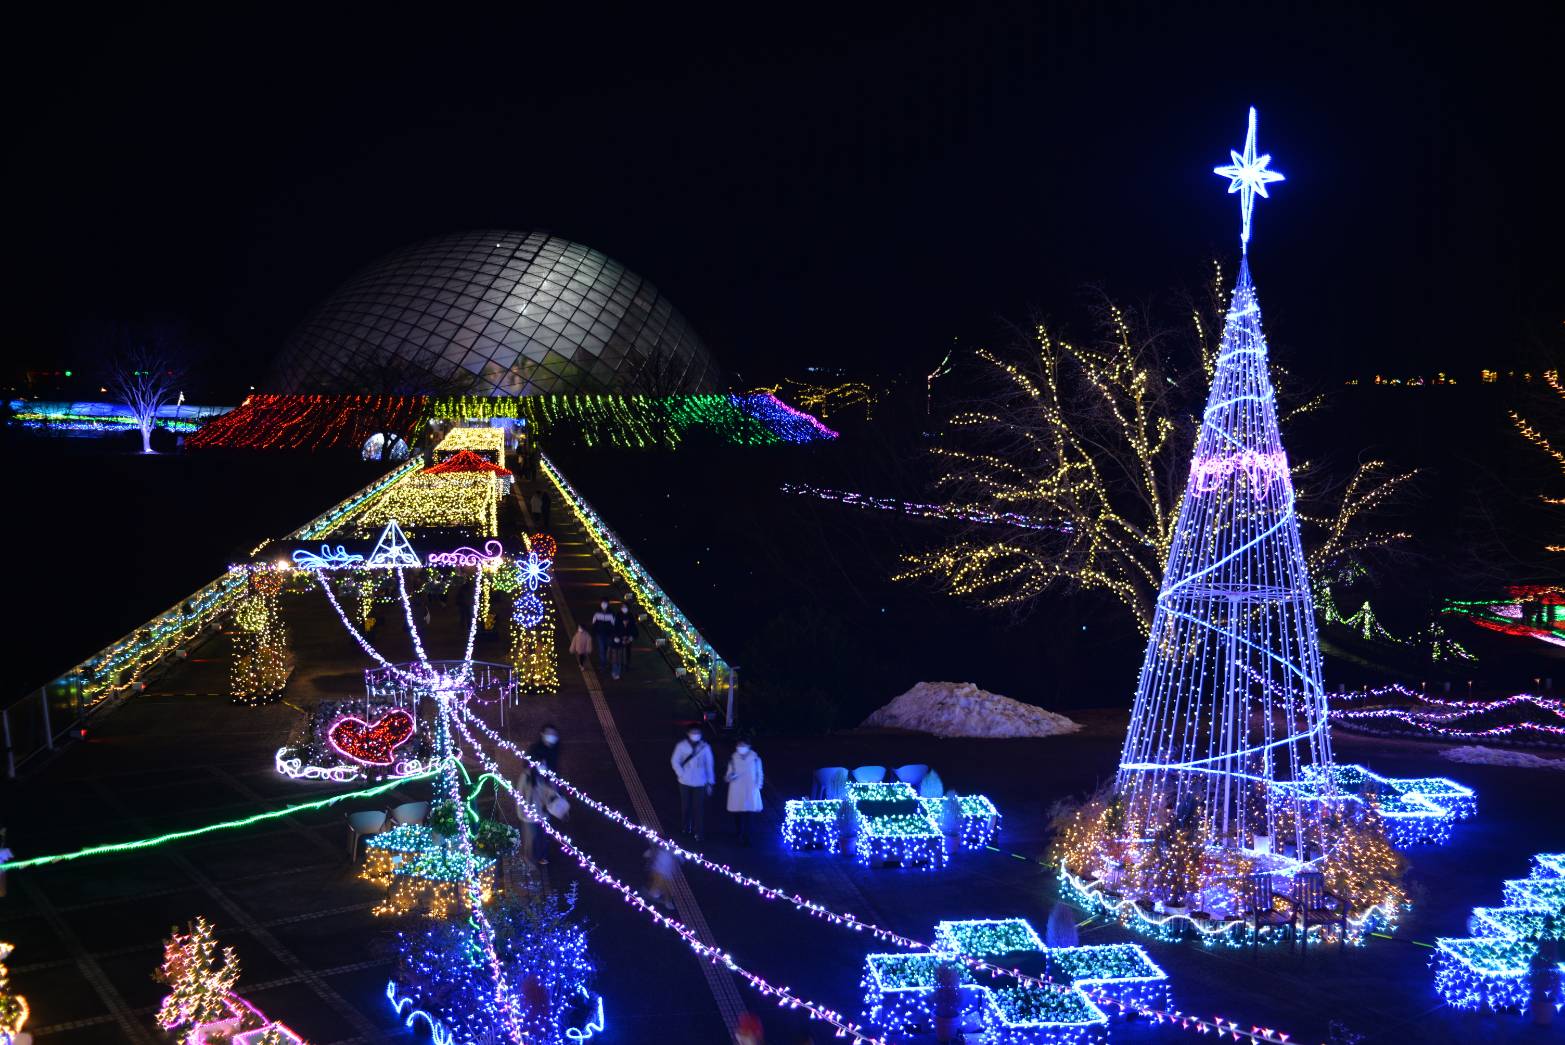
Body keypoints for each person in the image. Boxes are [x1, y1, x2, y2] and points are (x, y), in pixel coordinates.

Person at [524, 725, 561, 864]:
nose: (552, 737)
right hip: (533, 797)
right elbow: (527, 771)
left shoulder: (554, 751)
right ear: (542, 734)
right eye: (549, 733)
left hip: (546, 797)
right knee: (533, 829)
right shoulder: (535, 751)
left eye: (554, 734)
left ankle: (541, 855)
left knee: (543, 828)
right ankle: (532, 856)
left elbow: (554, 776)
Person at [671, 726, 714, 841]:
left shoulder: (705, 748)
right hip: (684, 782)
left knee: (698, 808)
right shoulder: (681, 746)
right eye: (693, 732)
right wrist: (681, 773)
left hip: (700, 782)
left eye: (697, 732)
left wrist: (710, 782)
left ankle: (698, 832)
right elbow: (675, 761)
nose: (695, 734)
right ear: (688, 733)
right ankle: (685, 827)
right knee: (685, 806)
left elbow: (709, 765)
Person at [724, 738, 764, 845]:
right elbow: (728, 774)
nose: (740, 747)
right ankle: (739, 834)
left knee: (749, 815)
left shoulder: (755, 758)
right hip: (736, 790)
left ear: (749, 746)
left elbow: (759, 773)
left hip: (750, 790)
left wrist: (758, 786)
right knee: (738, 814)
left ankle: (747, 836)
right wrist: (730, 777)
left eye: (743, 745)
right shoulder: (733, 758)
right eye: (739, 745)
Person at [643, 844, 679, 911]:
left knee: (664, 885)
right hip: (664, 868)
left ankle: (667, 901)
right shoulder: (662, 882)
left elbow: (653, 855)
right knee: (665, 887)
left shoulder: (656, 877)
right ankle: (667, 902)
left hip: (662, 867)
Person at [590, 600, 616, 668]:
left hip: (609, 635)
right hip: (600, 634)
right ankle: (603, 664)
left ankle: (607, 662)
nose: (604, 605)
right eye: (603, 603)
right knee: (602, 649)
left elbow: (614, 625)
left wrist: (613, 634)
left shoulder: (611, 614)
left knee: (608, 649)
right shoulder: (597, 613)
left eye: (605, 604)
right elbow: (594, 624)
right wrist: (594, 633)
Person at [616, 603, 639, 668]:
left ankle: (626, 664)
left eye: (625, 607)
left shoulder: (630, 616)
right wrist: (616, 636)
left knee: (627, 651)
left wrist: (632, 637)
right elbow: (615, 626)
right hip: (620, 636)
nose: (624, 608)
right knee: (619, 650)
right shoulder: (618, 615)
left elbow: (634, 627)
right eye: (623, 607)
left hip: (628, 637)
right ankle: (619, 664)